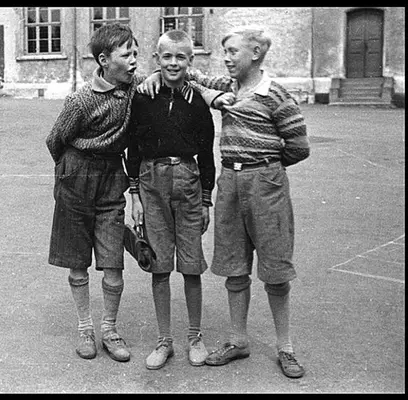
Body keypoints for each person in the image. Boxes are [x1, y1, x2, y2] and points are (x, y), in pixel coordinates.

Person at [139, 25, 310, 378]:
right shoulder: (226, 86)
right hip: (229, 183)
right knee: (235, 265)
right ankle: (237, 340)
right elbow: (186, 71)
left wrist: (266, 165)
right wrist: (156, 74)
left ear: (256, 54)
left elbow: (298, 146)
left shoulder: (276, 94)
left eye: (233, 52)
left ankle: (286, 347)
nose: (227, 58)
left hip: (265, 183)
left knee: (275, 269)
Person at [45, 23, 148, 362]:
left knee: (112, 260)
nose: (134, 60)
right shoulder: (80, 101)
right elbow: (55, 140)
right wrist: (70, 173)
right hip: (76, 176)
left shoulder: (134, 90)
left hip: (112, 177)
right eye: (126, 54)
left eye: (136, 53)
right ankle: (85, 329)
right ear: (104, 60)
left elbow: (172, 78)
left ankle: (109, 330)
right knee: (77, 260)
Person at [127, 30, 216, 370]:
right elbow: (133, 148)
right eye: (167, 57)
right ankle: (164, 340)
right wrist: (135, 195)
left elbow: (206, 153)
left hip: (188, 181)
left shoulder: (198, 102)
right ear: (157, 59)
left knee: (191, 265)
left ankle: (194, 337)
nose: (173, 63)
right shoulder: (143, 98)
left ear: (190, 61)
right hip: (151, 183)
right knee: (159, 265)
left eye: (181, 57)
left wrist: (205, 199)